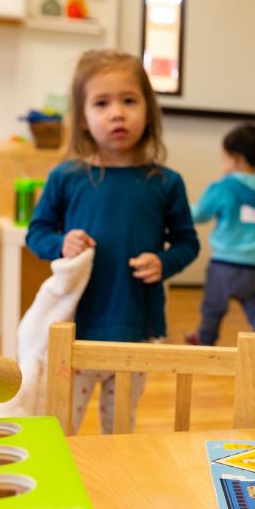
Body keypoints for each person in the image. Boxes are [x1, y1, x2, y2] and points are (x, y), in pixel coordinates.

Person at [27, 50, 199, 433]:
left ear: (148, 111)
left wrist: (164, 262)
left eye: (129, 100)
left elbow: (188, 243)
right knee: (61, 429)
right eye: (101, 103)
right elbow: (36, 233)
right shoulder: (66, 177)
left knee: (120, 433)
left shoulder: (166, 183)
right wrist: (61, 244)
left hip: (135, 330)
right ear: (84, 119)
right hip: (75, 329)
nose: (116, 113)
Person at [185, 124, 255, 369]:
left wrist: (178, 209)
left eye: (224, 158)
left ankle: (206, 342)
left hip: (223, 266)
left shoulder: (224, 188)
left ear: (236, 158)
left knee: (213, 308)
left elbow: (199, 214)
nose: (224, 165)